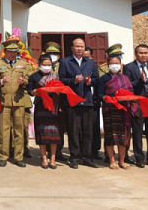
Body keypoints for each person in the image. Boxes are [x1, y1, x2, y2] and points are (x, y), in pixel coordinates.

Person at [0, 40, 33, 168]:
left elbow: (29, 79)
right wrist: (2, 81)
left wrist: (23, 81)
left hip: (19, 101)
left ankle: (19, 157)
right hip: (4, 101)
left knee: (19, 130)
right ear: (5, 52)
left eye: (15, 52)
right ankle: (3, 156)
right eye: (10, 52)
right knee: (4, 130)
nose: (13, 54)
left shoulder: (23, 64)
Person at [58, 38, 99, 169]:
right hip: (72, 101)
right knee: (73, 131)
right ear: (72, 47)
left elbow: (96, 79)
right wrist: (73, 80)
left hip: (87, 101)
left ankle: (87, 157)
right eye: (77, 46)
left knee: (88, 131)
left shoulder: (90, 62)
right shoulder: (65, 62)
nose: (80, 49)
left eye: (82, 46)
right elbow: (61, 79)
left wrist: (90, 81)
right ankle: (74, 157)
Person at [124, 44, 148, 169]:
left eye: (146, 53)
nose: (143, 55)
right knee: (138, 131)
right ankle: (139, 158)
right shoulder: (129, 67)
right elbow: (128, 85)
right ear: (136, 54)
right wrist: (140, 81)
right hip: (137, 102)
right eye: (141, 53)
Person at [97, 55, 134, 170]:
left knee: (122, 136)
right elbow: (99, 94)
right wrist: (108, 97)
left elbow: (131, 91)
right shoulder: (103, 78)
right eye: (112, 63)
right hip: (109, 109)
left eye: (117, 63)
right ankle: (112, 160)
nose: (115, 65)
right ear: (108, 65)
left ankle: (121, 161)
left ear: (121, 65)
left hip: (123, 109)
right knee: (110, 136)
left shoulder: (125, 78)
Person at [28, 54, 61, 170]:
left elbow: (60, 91)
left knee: (53, 134)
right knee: (42, 133)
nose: (46, 67)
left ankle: (53, 158)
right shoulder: (34, 76)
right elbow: (29, 90)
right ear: (39, 64)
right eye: (44, 64)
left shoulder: (56, 76)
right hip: (41, 106)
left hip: (53, 108)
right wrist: (35, 92)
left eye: (49, 65)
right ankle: (44, 158)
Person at [86, 46, 102, 161]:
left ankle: (95, 150)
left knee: (95, 127)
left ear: (92, 57)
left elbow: (99, 82)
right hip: (82, 101)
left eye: (88, 57)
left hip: (94, 100)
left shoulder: (95, 68)